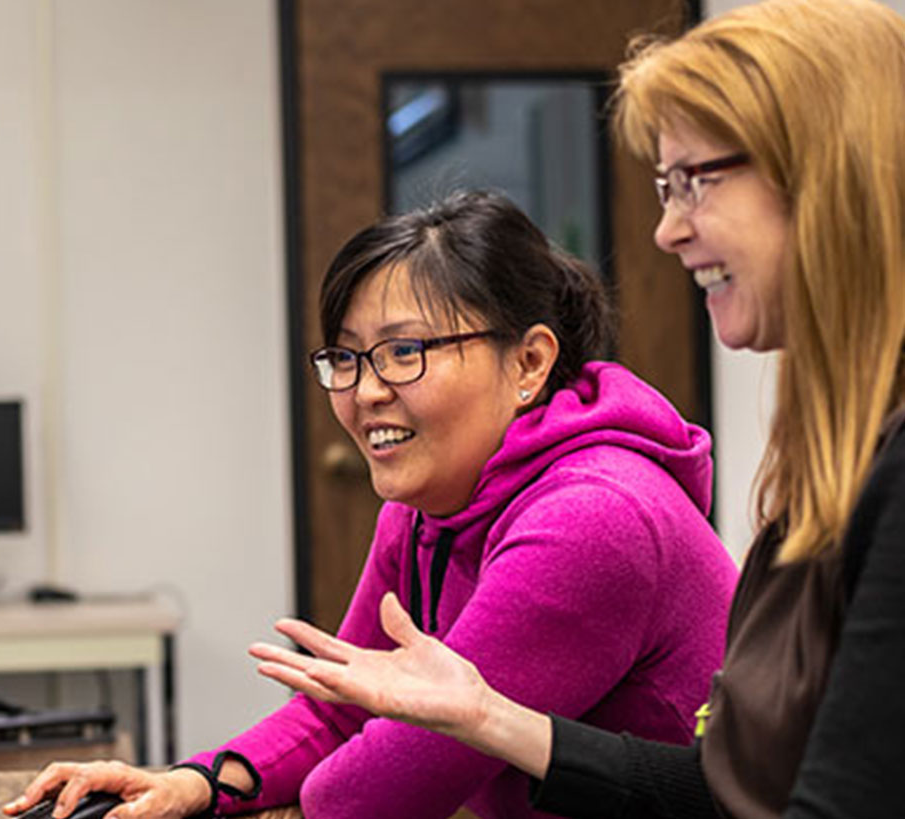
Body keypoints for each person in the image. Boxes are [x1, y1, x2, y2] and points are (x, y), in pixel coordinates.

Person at [251, 0, 905, 816]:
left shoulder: (600, 514)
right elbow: (728, 789)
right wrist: (485, 715)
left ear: (831, 175)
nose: (667, 230)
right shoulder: (831, 455)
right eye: (664, 187)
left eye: (696, 180)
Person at [2, 191, 737, 819]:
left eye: (404, 351)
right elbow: (342, 705)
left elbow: (367, 794)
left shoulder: (590, 521)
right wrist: (194, 781)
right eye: (347, 357)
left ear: (529, 362)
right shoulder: (429, 501)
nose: (366, 390)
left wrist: (322, 763)